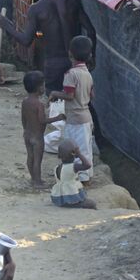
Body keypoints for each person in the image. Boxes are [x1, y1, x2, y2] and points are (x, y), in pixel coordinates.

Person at [0, 0, 79, 93]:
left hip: (53, 65)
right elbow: (90, 30)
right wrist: (92, 57)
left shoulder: (36, 9)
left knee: (55, 103)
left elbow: (26, 40)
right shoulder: (71, 2)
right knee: (80, 100)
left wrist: (7, 26)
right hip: (75, 63)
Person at [52, 35, 95, 182]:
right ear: (89, 55)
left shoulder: (71, 74)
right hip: (86, 116)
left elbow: (69, 96)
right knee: (85, 148)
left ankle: (81, 178)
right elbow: (92, 95)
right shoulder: (87, 73)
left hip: (75, 118)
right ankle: (87, 175)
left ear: (70, 53)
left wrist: (55, 93)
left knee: (75, 148)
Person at [22, 70, 63, 189]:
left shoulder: (25, 102)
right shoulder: (38, 104)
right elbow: (42, 120)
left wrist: (25, 129)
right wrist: (57, 117)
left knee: (30, 157)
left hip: (28, 135)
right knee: (37, 160)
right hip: (38, 137)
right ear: (40, 88)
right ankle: (38, 181)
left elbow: (23, 118)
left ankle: (33, 178)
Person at [52, 139, 97, 209]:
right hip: (70, 197)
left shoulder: (56, 167)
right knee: (92, 203)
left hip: (59, 198)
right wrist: (79, 154)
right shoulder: (74, 166)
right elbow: (88, 165)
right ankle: (75, 204)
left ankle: (72, 203)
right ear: (74, 154)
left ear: (59, 156)